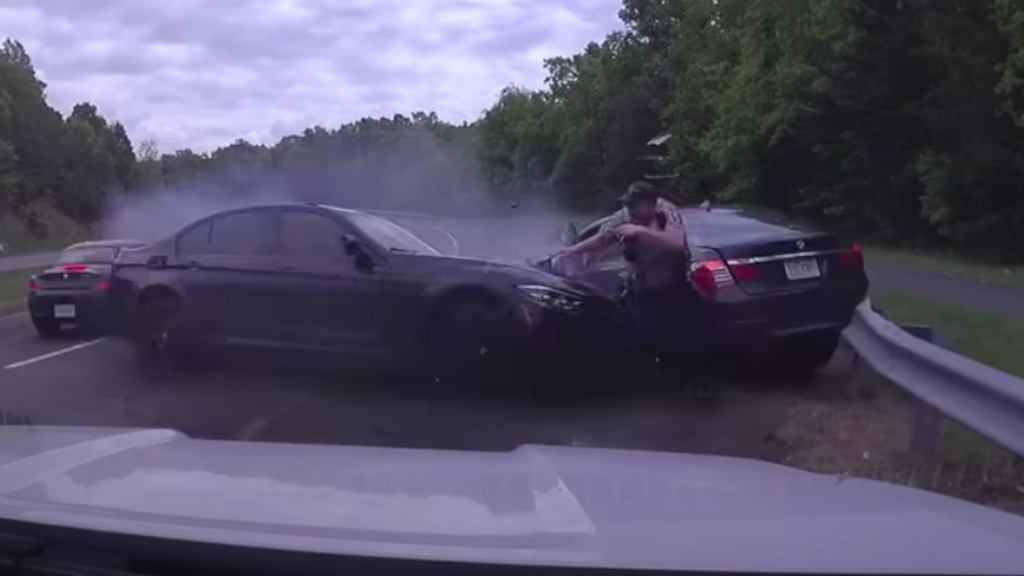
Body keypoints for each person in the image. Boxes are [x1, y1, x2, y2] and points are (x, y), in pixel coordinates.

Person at [559, 181, 691, 361]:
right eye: (628, 204)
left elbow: (677, 243)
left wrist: (640, 231)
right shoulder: (623, 217)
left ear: (649, 203)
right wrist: (574, 250)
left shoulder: (667, 213)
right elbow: (602, 239)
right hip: (641, 287)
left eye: (634, 205)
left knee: (674, 336)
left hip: (671, 285)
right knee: (641, 333)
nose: (630, 209)